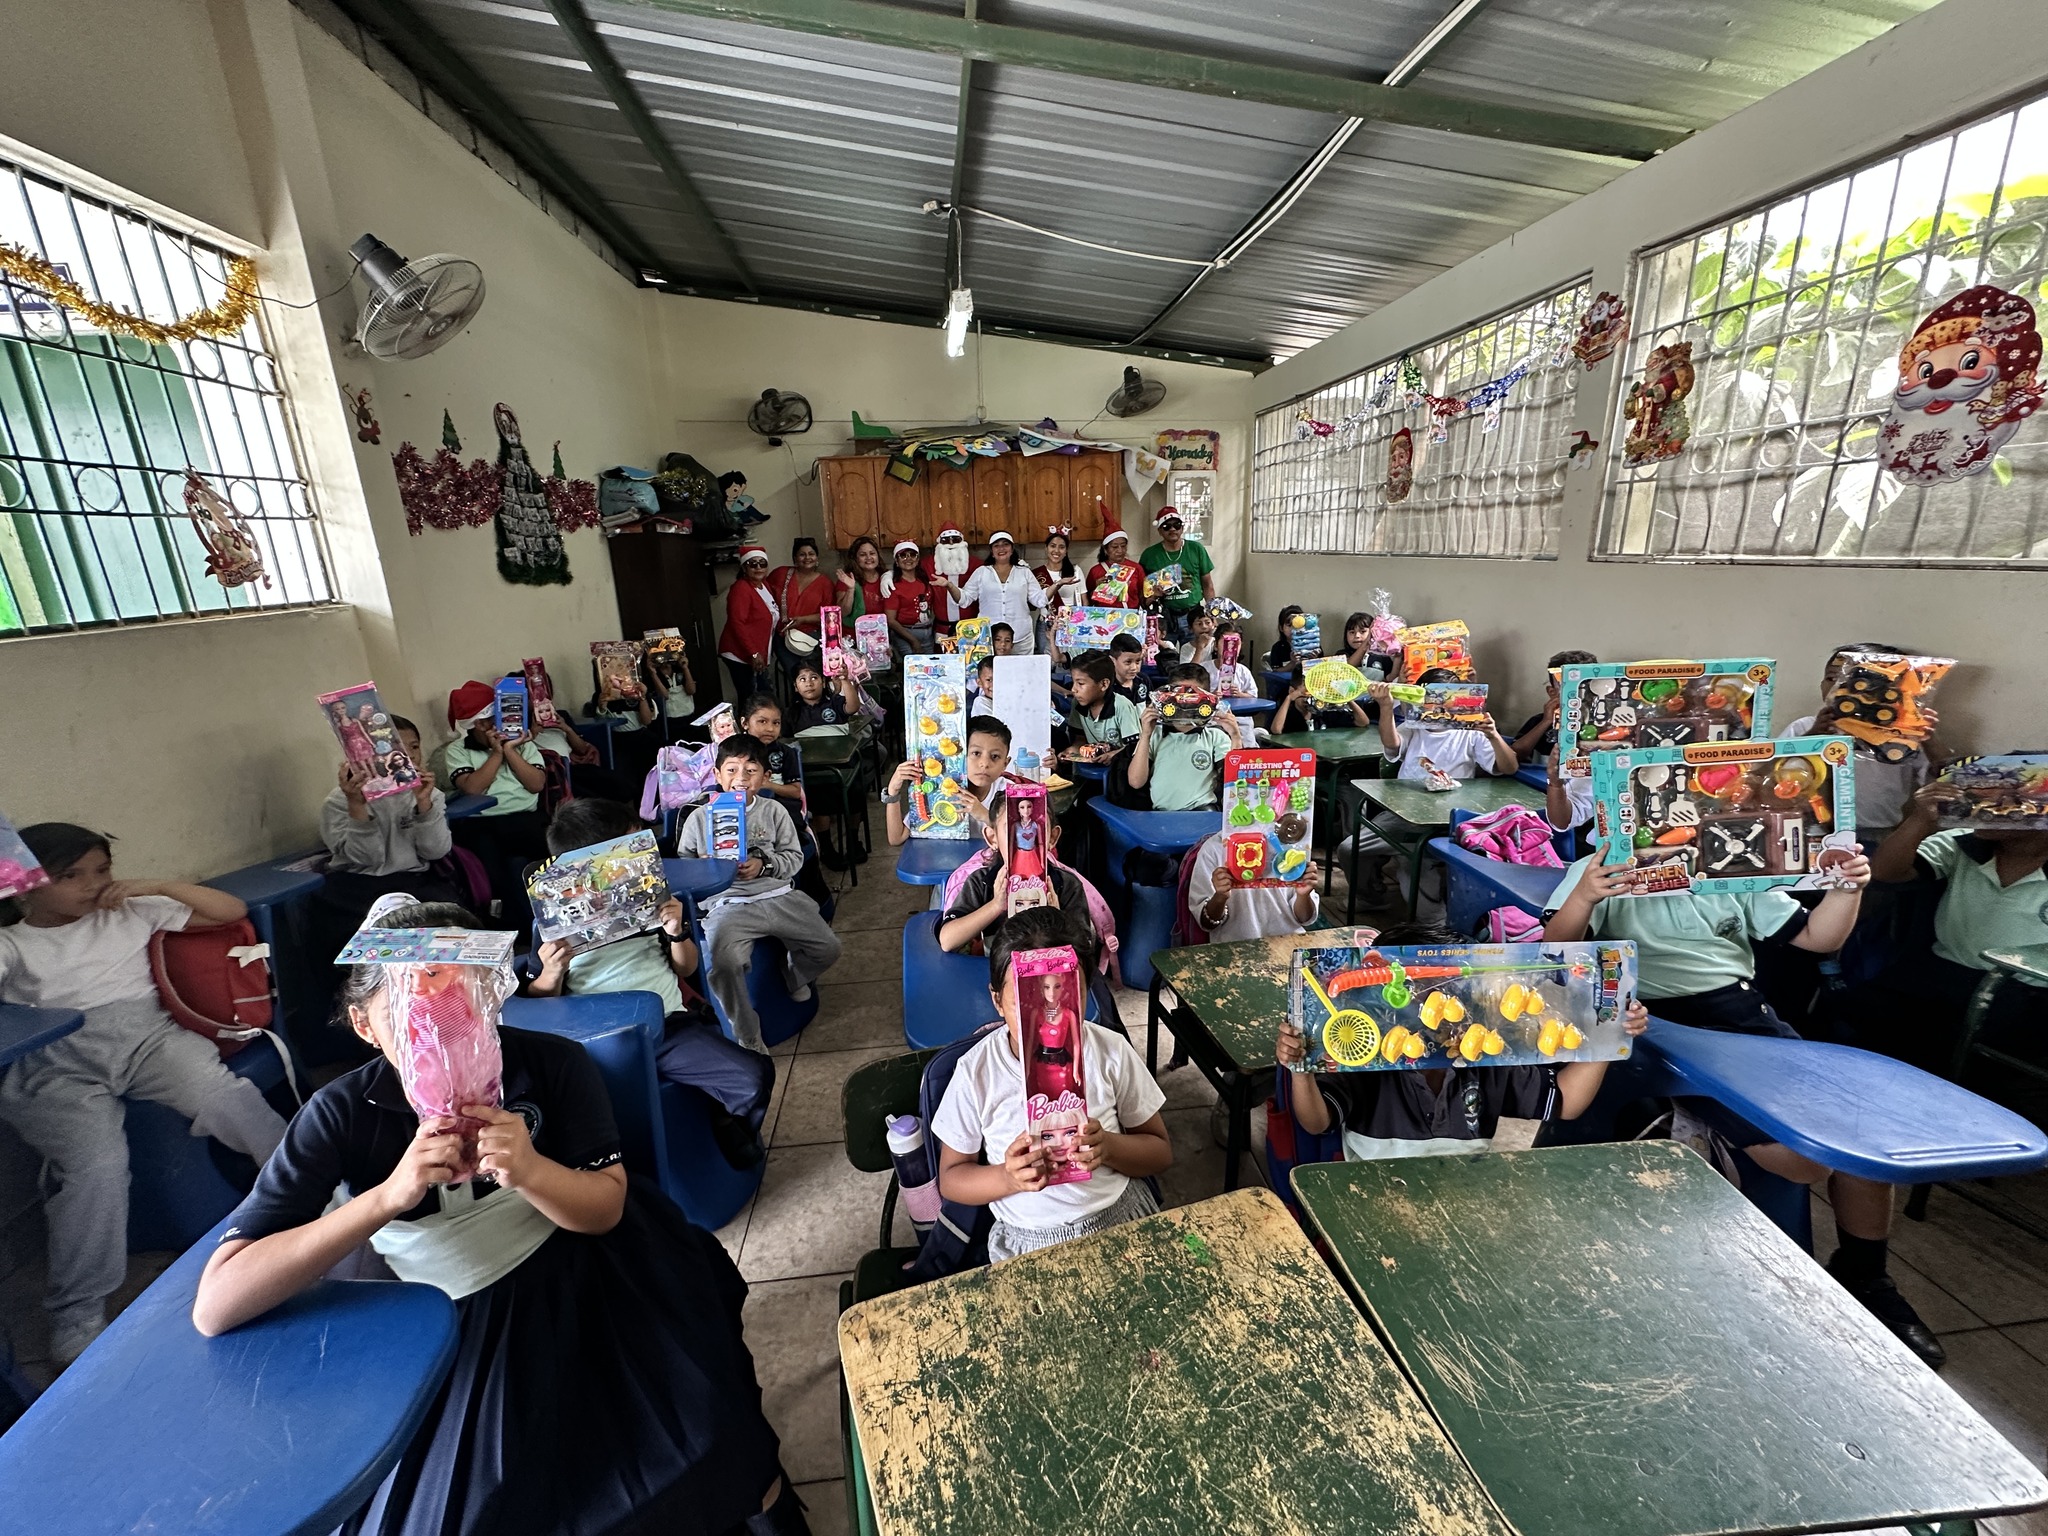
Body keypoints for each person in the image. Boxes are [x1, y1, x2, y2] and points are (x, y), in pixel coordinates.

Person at [190, 899, 805, 1536]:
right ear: (365, 1027)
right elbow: (217, 1303)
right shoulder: (341, 1113)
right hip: (449, 1319)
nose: (439, 1032)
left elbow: (605, 1207)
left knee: (708, 1431)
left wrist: (531, 1171)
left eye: (458, 1006)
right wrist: (387, 1197)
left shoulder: (550, 1064)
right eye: (410, 1015)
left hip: (589, 1268)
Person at [1542, 843, 1945, 1368]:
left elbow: (1818, 938)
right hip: (1650, 1017)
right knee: (1804, 1161)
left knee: (1859, 1136)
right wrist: (1585, 895)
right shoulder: (1603, 868)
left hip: (1742, 1013)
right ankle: (1697, 1122)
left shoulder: (1729, 865)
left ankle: (1866, 1274)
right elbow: (1555, 953)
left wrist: (1848, 887)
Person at [1, 824, 287, 1367]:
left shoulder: (129, 911)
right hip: (57, 1066)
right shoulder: (13, 945)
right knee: (96, 1168)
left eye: (101, 870)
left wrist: (154, 885)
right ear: (26, 887)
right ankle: (78, 1312)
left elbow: (228, 911)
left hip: (148, 1042)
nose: (93, 884)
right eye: (71, 876)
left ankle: (309, 1180)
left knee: (223, 1096)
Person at [528, 799, 773, 1169]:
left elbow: (686, 968)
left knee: (755, 1076)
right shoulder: (551, 925)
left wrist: (676, 933)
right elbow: (540, 1000)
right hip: (599, 1040)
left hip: (669, 1025)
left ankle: (727, 1119)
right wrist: (551, 972)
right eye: (630, 847)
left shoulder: (652, 900)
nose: (643, 855)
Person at [1276, 920, 1649, 1160]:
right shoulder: (1367, 1058)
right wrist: (1301, 1071)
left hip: (1463, 1193)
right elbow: (1316, 1123)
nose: (1441, 1008)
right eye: (1420, 995)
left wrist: (1610, 1033)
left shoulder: (1487, 1056)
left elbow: (1565, 1102)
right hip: (1373, 1189)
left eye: (1457, 993)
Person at [931, 907, 1171, 1261]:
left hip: (1120, 1217)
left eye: (1068, 995)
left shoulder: (1111, 1052)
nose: (1048, 1015)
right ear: (998, 1001)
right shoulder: (976, 1072)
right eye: (1026, 999)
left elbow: (1160, 1152)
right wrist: (1007, 1178)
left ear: (1087, 992)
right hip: (1028, 1240)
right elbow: (952, 1179)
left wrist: (1109, 1147)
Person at [1854, 782, 2048, 1073]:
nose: (1979, 810)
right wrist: (1920, 820)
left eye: (2004, 802)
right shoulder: (1961, 843)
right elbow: (1884, 872)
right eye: (1976, 798)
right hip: (1943, 971)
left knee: (1984, 1052)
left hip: (2027, 990)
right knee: (1870, 1011)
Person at [675, 739, 841, 1052]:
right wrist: (706, 869)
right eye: (732, 770)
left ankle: (795, 975)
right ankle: (747, 1032)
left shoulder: (774, 811)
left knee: (828, 947)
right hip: (727, 904)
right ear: (717, 775)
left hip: (778, 895)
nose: (741, 777)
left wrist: (764, 865)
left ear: (765, 777)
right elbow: (684, 867)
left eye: (751, 770)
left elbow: (794, 858)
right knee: (725, 966)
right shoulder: (698, 818)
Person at [1779, 642, 1950, 847]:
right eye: (1832, 678)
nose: (1840, 687)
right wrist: (1813, 737)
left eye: (1857, 681)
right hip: (1810, 831)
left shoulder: (1904, 737)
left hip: (1878, 834)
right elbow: (1771, 774)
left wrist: (1929, 739)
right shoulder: (1804, 727)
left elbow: (1946, 777)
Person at [318, 713, 457, 952]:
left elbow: (435, 851)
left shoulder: (430, 794)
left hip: (413, 880)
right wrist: (357, 806)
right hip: (359, 885)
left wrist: (424, 805)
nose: (409, 755)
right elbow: (367, 859)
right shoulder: (339, 801)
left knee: (449, 923)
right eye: (396, 749)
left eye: (414, 747)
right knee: (363, 942)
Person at [442, 680, 552, 935]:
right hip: (481, 821)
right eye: (488, 721)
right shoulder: (458, 750)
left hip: (525, 817)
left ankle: (547, 919)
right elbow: (472, 788)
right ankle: (514, 928)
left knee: (537, 861)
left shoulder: (523, 743)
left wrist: (510, 750)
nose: (497, 725)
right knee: (494, 872)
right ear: (477, 725)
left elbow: (536, 784)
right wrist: (496, 754)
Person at [939, 794, 1096, 956]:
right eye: (1011, 829)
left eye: (1039, 828)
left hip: (1050, 970)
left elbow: (1084, 948)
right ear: (993, 838)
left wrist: (1056, 916)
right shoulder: (981, 882)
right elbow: (948, 940)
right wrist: (995, 905)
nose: (1028, 839)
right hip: (995, 969)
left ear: (1053, 837)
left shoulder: (1066, 884)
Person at [884, 716, 1014, 846]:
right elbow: (896, 838)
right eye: (976, 753)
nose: (984, 764)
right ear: (960, 755)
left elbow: (1019, 840)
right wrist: (893, 790)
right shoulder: (942, 788)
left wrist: (985, 816)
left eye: (995, 756)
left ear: (1005, 763)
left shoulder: (1010, 794)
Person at [1128, 664, 1242, 812]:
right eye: (1179, 698)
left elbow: (1235, 782)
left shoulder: (1215, 737)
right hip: (1160, 814)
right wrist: (1145, 735)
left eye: (1193, 698)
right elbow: (1136, 782)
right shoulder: (1154, 735)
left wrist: (1235, 737)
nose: (1185, 705)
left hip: (1202, 811)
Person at [1188, 832, 1320, 944]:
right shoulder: (1213, 849)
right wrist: (1220, 897)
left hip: (1288, 942)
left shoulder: (1291, 846)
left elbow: (1305, 918)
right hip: (1235, 947)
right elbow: (1205, 923)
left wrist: (1303, 895)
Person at [946, 532, 1046, 655]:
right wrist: (949, 585)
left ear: (1012, 549)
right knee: (990, 668)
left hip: (1021, 637)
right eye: (996, 546)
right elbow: (964, 599)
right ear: (992, 551)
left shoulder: (1024, 572)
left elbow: (1039, 600)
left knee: (1022, 667)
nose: (1001, 548)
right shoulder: (981, 572)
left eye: (1005, 544)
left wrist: (1057, 585)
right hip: (988, 638)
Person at [1137, 507, 1215, 645]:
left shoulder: (1196, 549)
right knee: (1164, 655)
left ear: (1182, 528)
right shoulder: (1149, 555)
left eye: (1176, 525)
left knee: (1195, 654)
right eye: (1166, 526)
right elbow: (1142, 592)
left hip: (1193, 615)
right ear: (1160, 530)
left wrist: (1212, 614)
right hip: (1164, 616)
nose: (1172, 529)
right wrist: (1153, 594)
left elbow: (1208, 585)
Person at [1512, 648, 1598, 766]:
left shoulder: (1603, 723)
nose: (1579, 693)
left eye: (1586, 685)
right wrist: (1546, 721)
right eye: (1566, 685)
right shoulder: (1538, 722)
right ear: (1552, 692)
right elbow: (1514, 755)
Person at [718, 545, 779, 705]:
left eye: (762, 563)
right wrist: (753, 653)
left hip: (755, 652)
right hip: (740, 653)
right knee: (751, 699)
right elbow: (737, 622)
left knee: (762, 697)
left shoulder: (765, 586)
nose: (758, 568)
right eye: (753, 564)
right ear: (744, 568)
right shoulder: (741, 588)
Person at [767, 537, 835, 680]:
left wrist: (803, 620)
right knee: (795, 677)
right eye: (802, 554)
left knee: (812, 677)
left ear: (817, 558)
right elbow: (763, 595)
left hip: (811, 638)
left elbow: (829, 615)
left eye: (811, 554)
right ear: (795, 558)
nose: (807, 558)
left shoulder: (825, 583)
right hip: (783, 636)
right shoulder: (781, 574)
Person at [587, 653, 659, 784]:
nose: (616, 674)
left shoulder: (637, 689)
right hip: (616, 740)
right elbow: (599, 724)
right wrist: (602, 706)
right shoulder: (601, 694)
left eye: (620, 668)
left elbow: (647, 720)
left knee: (650, 764)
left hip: (640, 736)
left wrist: (642, 697)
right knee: (622, 774)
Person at [1066, 651, 1140, 748]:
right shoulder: (1077, 704)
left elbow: (1134, 748)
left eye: (1080, 683)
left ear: (1104, 684)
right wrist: (1071, 750)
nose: (1073, 689)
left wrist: (1110, 754)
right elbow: (1080, 739)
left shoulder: (1122, 706)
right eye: (1073, 682)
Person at [1033, 527, 1085, 652]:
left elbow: (1084, 602)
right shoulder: (1037, 574)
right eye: (1052, 546)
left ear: (1066, 551)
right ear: (1046, 548)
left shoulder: (1075, 571)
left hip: (1071, 624)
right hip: (1046, 625)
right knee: (1046, 660)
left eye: (1061, 547)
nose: (1056, 550)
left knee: (1070, 659)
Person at [923, 521, 978, 637]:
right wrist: (888, 575)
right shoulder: (928, 564)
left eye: (956, 539)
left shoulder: (976, 564)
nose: (951, 543)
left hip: (970, 628)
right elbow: (907, 570)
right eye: (946, 540)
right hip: (942, 629)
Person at [882, 539, 933, 656]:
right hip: (905, 634)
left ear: (918, 559)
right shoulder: (893, 585)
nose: (908, 558)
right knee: (911, 666)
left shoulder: (925, 579)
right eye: (903, 555)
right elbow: (891, 620)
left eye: (912, 555)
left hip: (928, 633)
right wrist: (913, 640)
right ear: (897, 561)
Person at [787, 658, 859, 733]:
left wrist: (844, 680)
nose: (809, 684)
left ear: (823, 682)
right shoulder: (792, 714)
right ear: (796, 686)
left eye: (814, 678)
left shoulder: (834, 703)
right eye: (802, 679)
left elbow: (853, 707)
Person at [1086, 517, 1144, 608]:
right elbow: (1088, 601)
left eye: (1123, 546)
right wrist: (1097, 588)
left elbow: (1142, 596)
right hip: (1105, 614)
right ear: (1106, 549)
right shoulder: (1095, 571)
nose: (1120, 550)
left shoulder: (1136, 568)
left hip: (1131, 615)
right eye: (1115, 547)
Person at [834, 535, 887, 621]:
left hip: (882, 628)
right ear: (855, 558)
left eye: (872, 553)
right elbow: (843, 613)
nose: (869, 558)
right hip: (855, 628)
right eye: (863, 555)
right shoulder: (847, 579)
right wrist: (850, 589)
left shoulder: (886, 577)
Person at [644, 642, 697, 725]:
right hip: (670, 719)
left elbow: (691, 690)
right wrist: (653, 673)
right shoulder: (653, 676)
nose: (665, 655)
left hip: (689, 714)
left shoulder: (680, 669)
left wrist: (685, 668)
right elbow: (664, 696)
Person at [1203, 621, 1258, 699]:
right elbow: (1193, 695)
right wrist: (1211, 695)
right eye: (1226, 643)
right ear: (1216, 645)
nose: (1230, 648)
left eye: (1235, 643)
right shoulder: (1203, 669)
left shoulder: (1243, 671)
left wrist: (1240, 694)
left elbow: (1253, 695)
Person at [1108, 631, 1151, 709]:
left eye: (1137, 661)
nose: (1134, 667)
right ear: (1112, 660)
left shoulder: (1143, 680)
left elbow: (1149, 704)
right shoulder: (1107, 687)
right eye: (1128, 662)